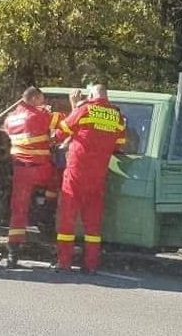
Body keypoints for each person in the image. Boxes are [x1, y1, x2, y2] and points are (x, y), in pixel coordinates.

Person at [53, 84, 126, 273]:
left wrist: (75, 106)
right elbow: (119, 144)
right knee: (93, 222)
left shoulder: (85, 109)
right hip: (98, 175)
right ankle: (91, 265)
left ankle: (64, 262)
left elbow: (61, 132)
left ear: (92, 95)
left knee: (67, 218)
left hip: (76, 172)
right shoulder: (117, 116)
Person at [3, 86, 64, 268]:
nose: (43, 103)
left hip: (20, 170)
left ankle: (13, 253)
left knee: (18, 211)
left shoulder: (10, 118)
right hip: (40, 169)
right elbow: (64, 122)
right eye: (42, 99)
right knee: (57, 181)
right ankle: (47, 212)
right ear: (35, 98)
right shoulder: (39, 115)